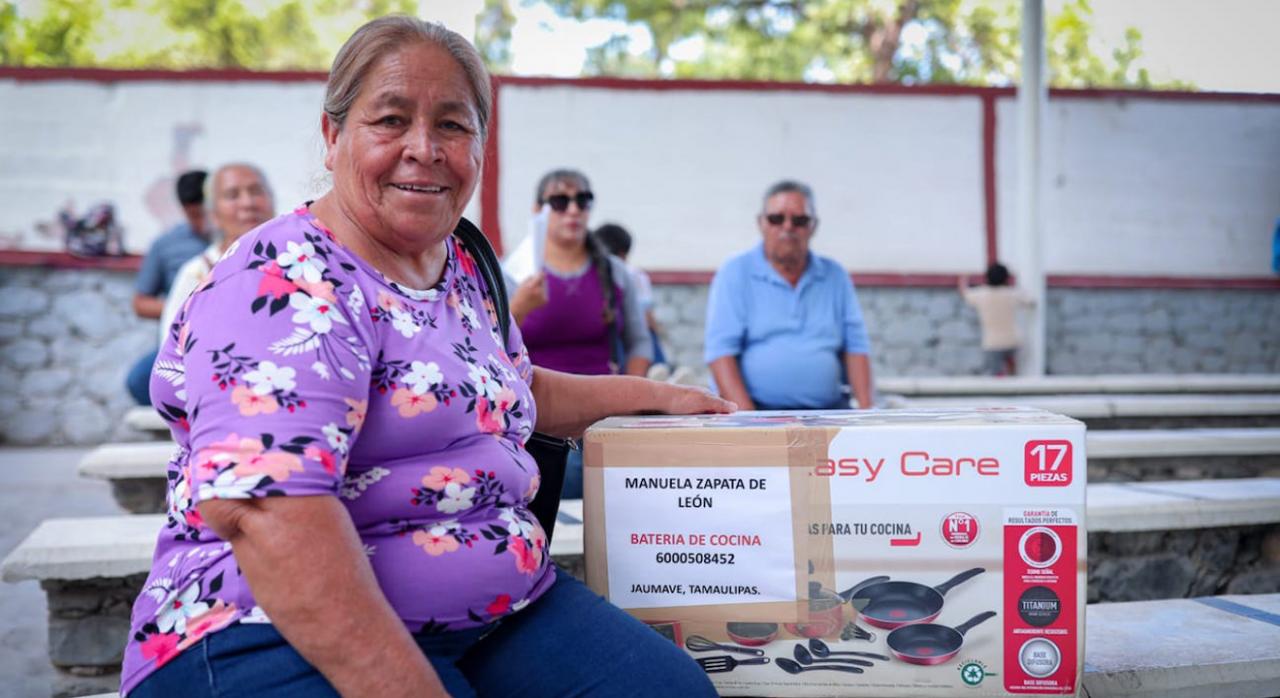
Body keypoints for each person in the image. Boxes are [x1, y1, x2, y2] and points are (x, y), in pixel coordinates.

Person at [122, 17, 730, 698]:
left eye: (452, 125)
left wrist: (660, 399)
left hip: (496, 610)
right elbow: (269, 513)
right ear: (332, 135)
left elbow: (510, 392)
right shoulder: (283, 278)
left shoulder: (462, 264)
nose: (424, 149)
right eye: (391, 120)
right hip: (263, 629)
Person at [510, 170, 654, 499]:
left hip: (603, 418)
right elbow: (489, 344)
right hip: (538, 423)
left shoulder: (615, 272)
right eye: (560, 201)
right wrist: (519, 307)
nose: (573, 210)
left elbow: (639, 342)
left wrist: (632, 401)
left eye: (582, 200)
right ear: (538, 210)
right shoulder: (513, 273)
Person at [704, 180, 873, 410]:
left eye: (799, 220)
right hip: (758, 411)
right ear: (761, 223)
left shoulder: (835, 275)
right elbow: (721, 353)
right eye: (776, 218)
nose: (787, 227)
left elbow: (856, 347)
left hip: (829, 410)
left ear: (813, 226)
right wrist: (750, 421)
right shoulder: (735, 272)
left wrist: (866, 414)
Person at [158, 163, 275, 341]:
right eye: (232, 195)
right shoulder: (197, 273)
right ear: (213, 214)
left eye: (256, 191)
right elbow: (173, 344)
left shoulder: (298, 258)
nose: (248, 203)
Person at [125, 169, 210, 405]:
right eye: (195, 215)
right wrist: (186, 308)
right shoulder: (166, 245)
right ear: (183, 209)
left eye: (207, 213)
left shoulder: (241, 239)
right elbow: (140, 303)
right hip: (181, 343)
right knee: (139, 382)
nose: (203, 222)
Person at [593, 222, 667, 368]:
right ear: (623, 253)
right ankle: (659, 369)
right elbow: (647, 314)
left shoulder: (593, 273)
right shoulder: (634, 274)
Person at [959, 261, 1034, 376]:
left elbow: (964, 293)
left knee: (996, 375)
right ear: (1006, 278)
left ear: (987, 277)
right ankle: (1012, 375)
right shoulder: (1012, 293)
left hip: (992, 343)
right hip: (1013, 341)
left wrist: (963, 278)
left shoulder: (981, 294)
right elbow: (1031, 302)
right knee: (1014, 376)